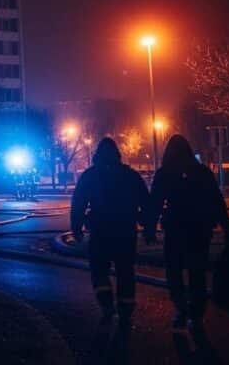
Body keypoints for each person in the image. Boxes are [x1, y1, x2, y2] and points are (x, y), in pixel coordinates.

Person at [147, 135, 229, 331]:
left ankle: (180, 307)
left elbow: (154, 203)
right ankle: (196, 313)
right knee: (197, 273)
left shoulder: (165, 174)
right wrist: (228, 230)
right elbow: (217, 202)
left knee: (174, 271)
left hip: (175, 229)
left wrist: (150, 228)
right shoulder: (202, 172)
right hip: (199, 229)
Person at [70, 137, 151, 327]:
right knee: (125, 270)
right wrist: (147, 226)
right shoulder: (130, 175)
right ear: (117, 155)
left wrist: (77, 226)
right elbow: (145, 202)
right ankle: (126, 309)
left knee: (99, 269)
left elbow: (79, 202)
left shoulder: (90, 176)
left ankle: (106, 304)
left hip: (100, 231)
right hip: (125, 231)